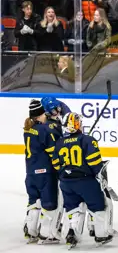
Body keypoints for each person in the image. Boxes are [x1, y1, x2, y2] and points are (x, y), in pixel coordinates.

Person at [52, 112, 113, 248]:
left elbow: (56, 164)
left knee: (72, 208)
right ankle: (100, 235)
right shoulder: (87, 140)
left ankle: (71, 233)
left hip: (66, 183)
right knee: (97, 205)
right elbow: (95, 162)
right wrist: (99, 175)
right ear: (78, 124)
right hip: (86, 181)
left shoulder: (60, 142)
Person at [23, 99, 60, 244]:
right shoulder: (44, 130)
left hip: (31, 172)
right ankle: (46, 234)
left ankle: (31, 231)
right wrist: (59, 167)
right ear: (39, 115)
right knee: (49, 202)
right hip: (45, 172)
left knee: (34, 201)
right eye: (43, 113)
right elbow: (52, 151)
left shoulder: (28, 129)